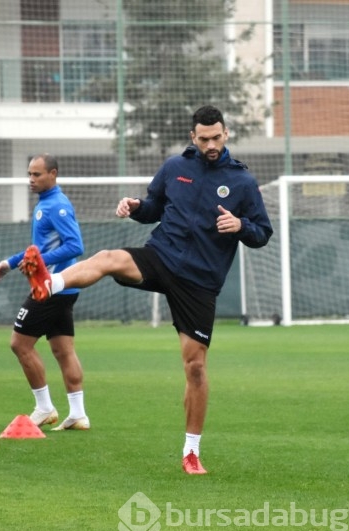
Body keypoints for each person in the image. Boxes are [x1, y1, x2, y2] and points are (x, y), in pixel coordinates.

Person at [19, 106, 273, 474]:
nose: (211, 144)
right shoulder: (175, 168)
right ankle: (50, 283)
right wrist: (136, 206)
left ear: (226, 134)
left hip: (200, 281)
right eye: (204, 138)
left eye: (217, 137)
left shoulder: (243, 182)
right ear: (193, 137)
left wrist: (241, 225)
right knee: (108, 257)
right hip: (161, 255)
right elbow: (154, 207)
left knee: (196, 367)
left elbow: (262, 233)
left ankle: (190, 452)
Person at [0, 154, 89, 431]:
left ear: (53, 174)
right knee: (62, 350)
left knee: (19, 344)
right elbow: (38, 249)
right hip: (62, 287)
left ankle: (44, 408)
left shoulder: (57, 206)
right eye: (29, 174)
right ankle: (79, 414)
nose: (31, 180)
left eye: (37, 174)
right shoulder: (46, 203)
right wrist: (9, 263)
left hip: (51, 287)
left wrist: (41, 264)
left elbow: (75, 246)